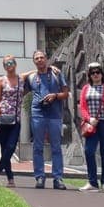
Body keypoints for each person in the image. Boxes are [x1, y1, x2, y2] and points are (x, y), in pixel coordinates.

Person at [25, 49, 70, 190]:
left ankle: (58, 178)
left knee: (56, 147)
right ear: (34, 62)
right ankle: (39, 177)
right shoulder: (32, 77)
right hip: (38, 112)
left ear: (46, 58)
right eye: (36, 58)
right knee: (37, 146)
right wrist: (30, 72)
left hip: (54, 114)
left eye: (42, 57)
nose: (39, 60)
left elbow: (66, 93)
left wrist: (55, 96)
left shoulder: (56, 74)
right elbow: (19, 80)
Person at [78, 62, 104, 193]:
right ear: (89, 75)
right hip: (92, 125)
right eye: (92, 73)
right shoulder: (85, 89)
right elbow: (83, 107)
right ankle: (92, 182)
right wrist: (89, 119)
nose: (95, 75)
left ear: (102, 74)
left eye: (98, 72)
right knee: (89, 151)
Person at [0, 54, 24, 187]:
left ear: (15, 64)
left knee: (11, 147)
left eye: (11, 63)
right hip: (3, 117)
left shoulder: (22, 79)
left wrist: (51, 68)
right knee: (5, 149)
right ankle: (10, 180)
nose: (9, 66)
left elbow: (36, 71)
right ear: (4, 67)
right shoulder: (1, 80)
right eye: (6, 64)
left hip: (16, 119)